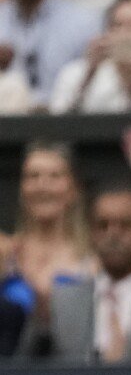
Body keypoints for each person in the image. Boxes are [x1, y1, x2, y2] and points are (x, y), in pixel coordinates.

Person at [21, 184, 131, 362]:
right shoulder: (60, 302)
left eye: (125, 225)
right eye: (103, 225)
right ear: (90, 232)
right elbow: (24, 370)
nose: (113, 234)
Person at [0, 142, 92, 333]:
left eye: (54, 176)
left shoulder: (94, 257)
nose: (42, 186)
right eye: (33, 176)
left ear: (74, 188)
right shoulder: (4, 251)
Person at [49, 0, 131, 113]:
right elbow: (59, 123)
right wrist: (89, 75)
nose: (127, 34)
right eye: (118, 25)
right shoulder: (74, 74)